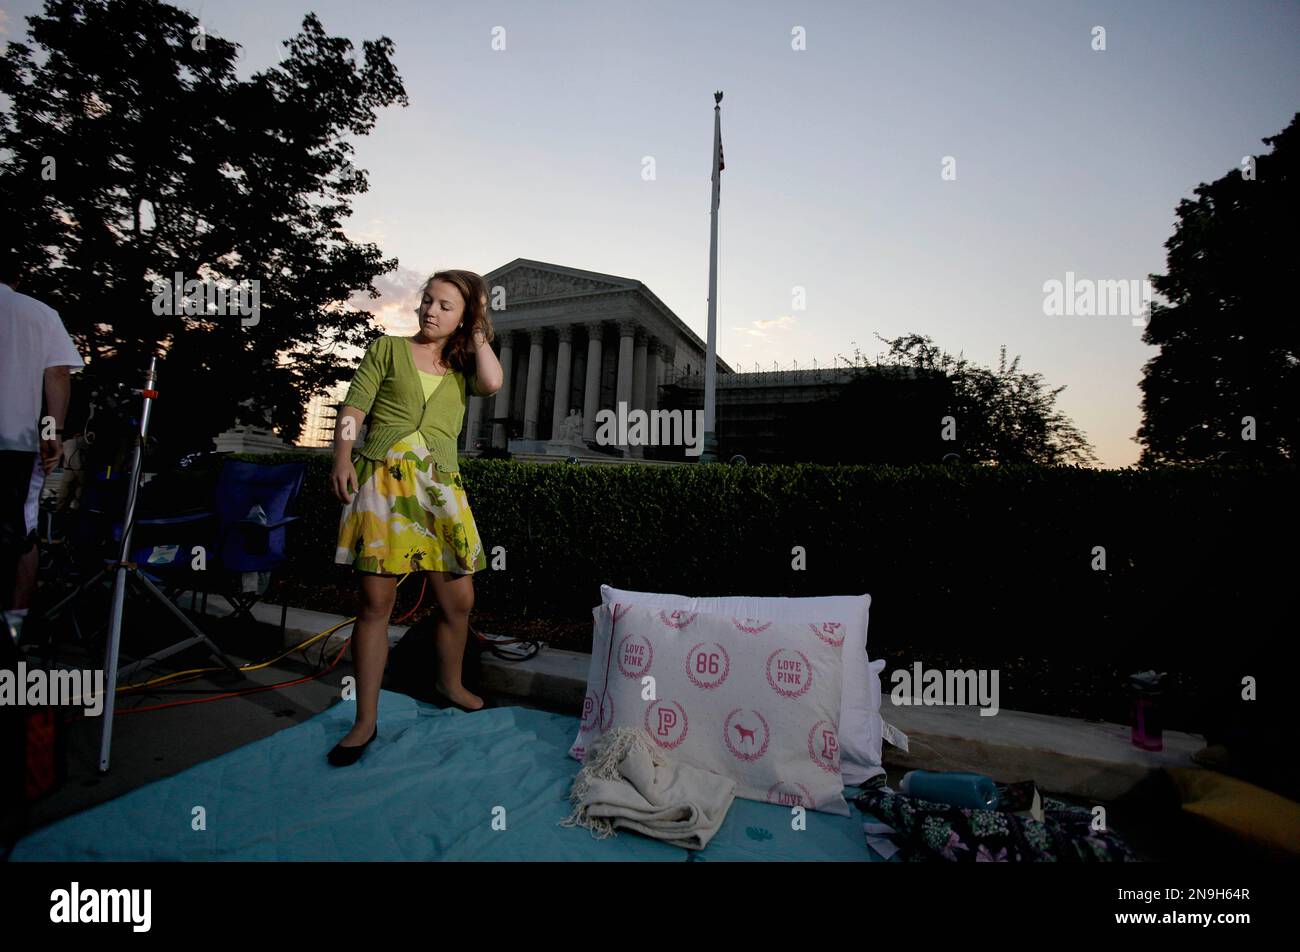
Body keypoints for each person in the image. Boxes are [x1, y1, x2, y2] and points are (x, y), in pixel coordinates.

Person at [327, 270, 503, 766]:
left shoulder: (465, 366)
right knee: (375, 603)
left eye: (446, 306)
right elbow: (353, 406)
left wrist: (478, 334)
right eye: (428, 301)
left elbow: (493, 381)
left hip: (440, 486)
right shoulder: (387, 349)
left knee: (459, 598)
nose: (430, 311)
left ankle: (449, 683)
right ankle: (365, 720)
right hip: (383, 482)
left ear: (465, 317)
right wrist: (342, 457)